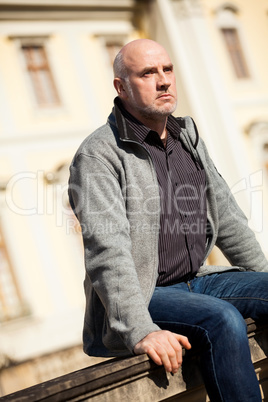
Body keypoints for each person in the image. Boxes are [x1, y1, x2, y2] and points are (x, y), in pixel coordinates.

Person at [68, 39, 268, 401]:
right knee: (222, 319)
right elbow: (106, 251)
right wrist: (140, 329)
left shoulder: (186, 134)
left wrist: (261, 279)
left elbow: (228, 219)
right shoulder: (98, 155)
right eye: (148, 73)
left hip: (198, 282)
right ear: (121, 87)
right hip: (146, 295)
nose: (163, 81)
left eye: (167, 69)